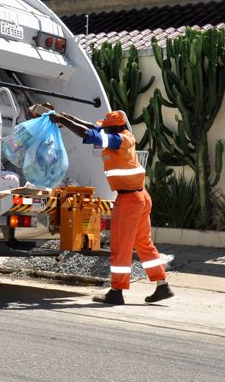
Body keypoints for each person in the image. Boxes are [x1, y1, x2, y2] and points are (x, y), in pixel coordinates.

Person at [49, 109, 174, 305]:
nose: (104, 130)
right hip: (140, 197)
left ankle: (117, 291)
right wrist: (69, 117)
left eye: (107, 128)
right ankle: (162, 285)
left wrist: (62, 120)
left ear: (115, 129)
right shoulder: (124, 134)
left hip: (129, 201)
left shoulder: (118, 141)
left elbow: (89, 134)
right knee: (143, 243)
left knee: (120, 246)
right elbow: (95, 128)